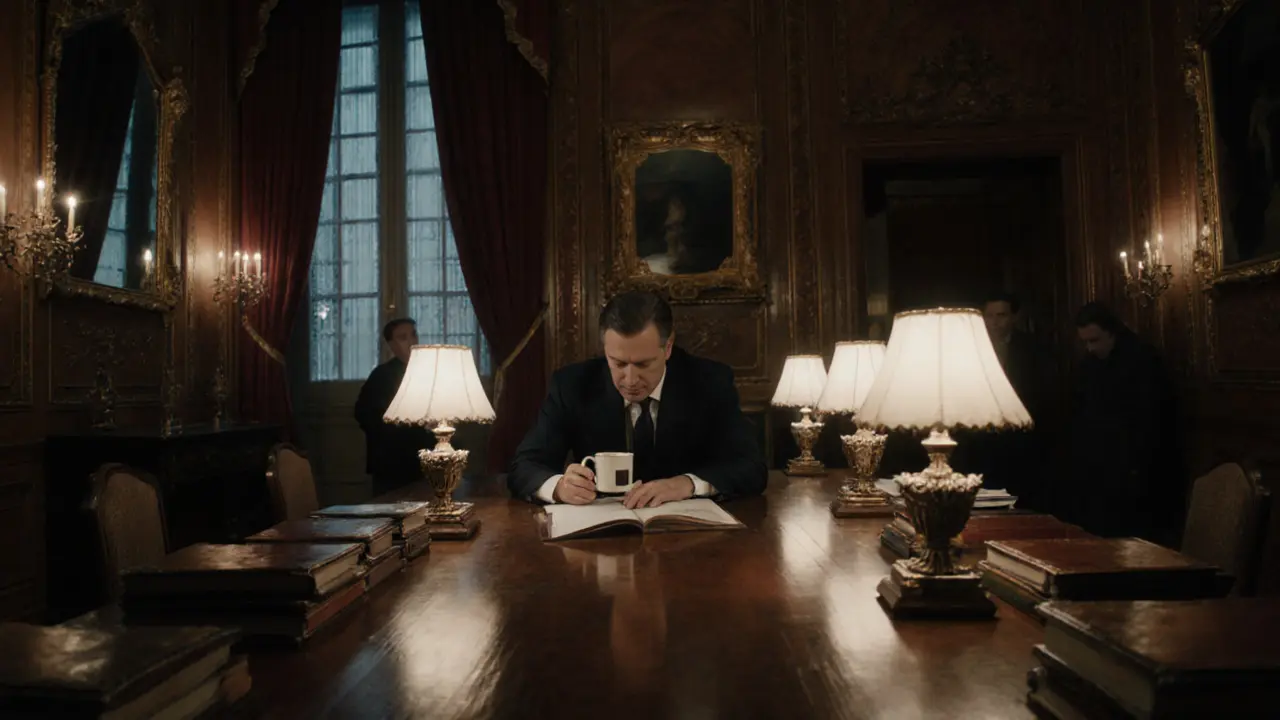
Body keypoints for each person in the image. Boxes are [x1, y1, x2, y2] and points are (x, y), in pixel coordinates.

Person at [508, 290, 767, 507]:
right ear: (605, 350)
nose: (630, 380)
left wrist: (688, 484)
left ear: (667, 348)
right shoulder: (572, 385)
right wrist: (559, 487)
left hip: (689, 543)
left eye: (643, 364)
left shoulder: (709, 381)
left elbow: (751, 467)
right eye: (618, 363)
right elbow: (525, 466)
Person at [1066, 302, 1185, 545]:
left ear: (1113, 333)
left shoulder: (1143, 360)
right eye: (1085, 342)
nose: (1090, 347)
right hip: (1101, 469)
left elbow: (1152, 421)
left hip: (1137, 472)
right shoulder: (1091, 365)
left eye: (1095, 340)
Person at [967, 292, 1052, 510]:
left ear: (1014, 317)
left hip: (1020, 439)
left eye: (1002, 315)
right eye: (990, 316)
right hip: (981, 438)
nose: (995, 322)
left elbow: (1041, 392)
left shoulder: (1032, 349)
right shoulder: (971, 347)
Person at [354, 318, 432, 497]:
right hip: (392, 461)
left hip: (425, 458)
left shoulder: (428, 370)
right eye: (403, 338)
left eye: (414, 334)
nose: (412, 341)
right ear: (392, 345)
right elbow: (364, 414)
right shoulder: (382, 376)